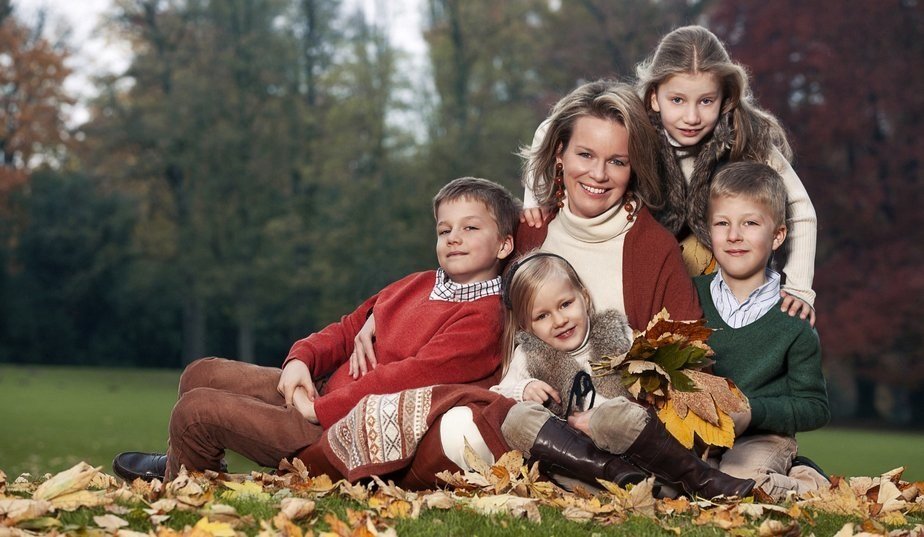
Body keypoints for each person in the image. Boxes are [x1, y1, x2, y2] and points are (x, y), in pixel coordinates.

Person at [111, 176, 520, 482]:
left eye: (470, 228)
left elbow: (408, 379)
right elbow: (346, 330)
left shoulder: (484, 318)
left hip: (337, 428)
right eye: (444, 229)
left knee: (195, 411)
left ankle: (185, 485)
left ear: (503, 245)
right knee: (199, 373)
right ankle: (193, 463)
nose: (454, 238)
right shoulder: (415, 284)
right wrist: (299, 361)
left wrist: (318, 410)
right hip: (322, 391)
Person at [522, 25, 818, 326]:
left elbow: (800, 210)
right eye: (677, 100)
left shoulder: (747, 135)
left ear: (725, 99)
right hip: (653, 255)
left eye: (706, 101)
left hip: (719, 262)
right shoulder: (640, 120)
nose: (691, 117)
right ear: (654, 97)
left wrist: (798, 288)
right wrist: (533, 197)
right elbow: (550, 129)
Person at [494, 251, 755, 498]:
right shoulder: (530, 354)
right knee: (515, 418)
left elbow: (652, 382)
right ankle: (618, 477)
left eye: (565, 304)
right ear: (526, 326)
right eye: (542, 316)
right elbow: (499, 395)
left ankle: (701, 479)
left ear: (584, 298)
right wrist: (524, 388)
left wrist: (600, 418)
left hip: (634, 453)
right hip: (581, 468)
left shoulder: (618, 335)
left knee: (615, 416)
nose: (559, 319)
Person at [694, 161, 830, 500]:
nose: (734, 236)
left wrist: (754, 412)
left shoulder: (792, 320)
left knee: (740, 486)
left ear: (777, 235)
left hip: (764, 436)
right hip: (703, 431)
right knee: (687, 483)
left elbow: (815, 407)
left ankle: (811, 484)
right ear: (709, 231)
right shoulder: (690, 296)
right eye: (722, 223)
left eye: (750, 224)